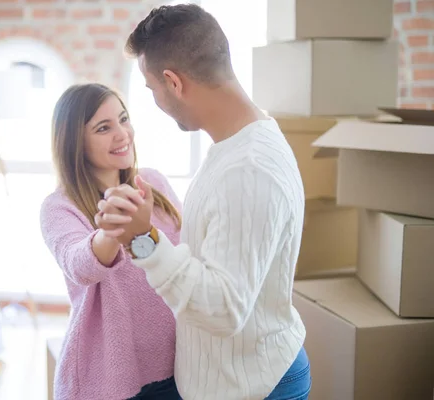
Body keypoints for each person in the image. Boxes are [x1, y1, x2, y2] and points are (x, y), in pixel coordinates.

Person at [95, 4, 311, 400]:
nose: (155, 102)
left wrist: (144, 238)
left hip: (253, 388)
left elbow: (225, 309)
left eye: (151, 89)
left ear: (173, 82)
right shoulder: (237, 144)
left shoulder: (248, 169)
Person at [39, 83, 183, 400]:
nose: (122, 134)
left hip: (179, 365)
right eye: (104, 128)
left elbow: (185, 254)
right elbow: (80, 266)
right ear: (75, 143)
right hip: (112, 380)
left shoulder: (153, 182)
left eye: (123, 119)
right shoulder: (59, 207)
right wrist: (110, 231)